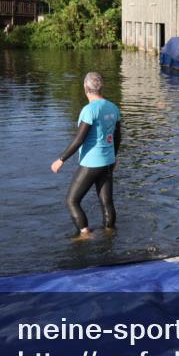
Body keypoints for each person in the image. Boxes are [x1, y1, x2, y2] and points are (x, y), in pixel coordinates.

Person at [51, 72, 121, 236]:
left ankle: (85, 234)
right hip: (108, 161)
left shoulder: (89, 110)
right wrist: (114, 156)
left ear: (85, 88)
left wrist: (61, 159)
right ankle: (110, 234)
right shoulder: (113, 107)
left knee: (72, 201)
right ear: (101, 87)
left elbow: (79, 139)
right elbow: (118, 136)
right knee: (107, 202)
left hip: (91, 163)